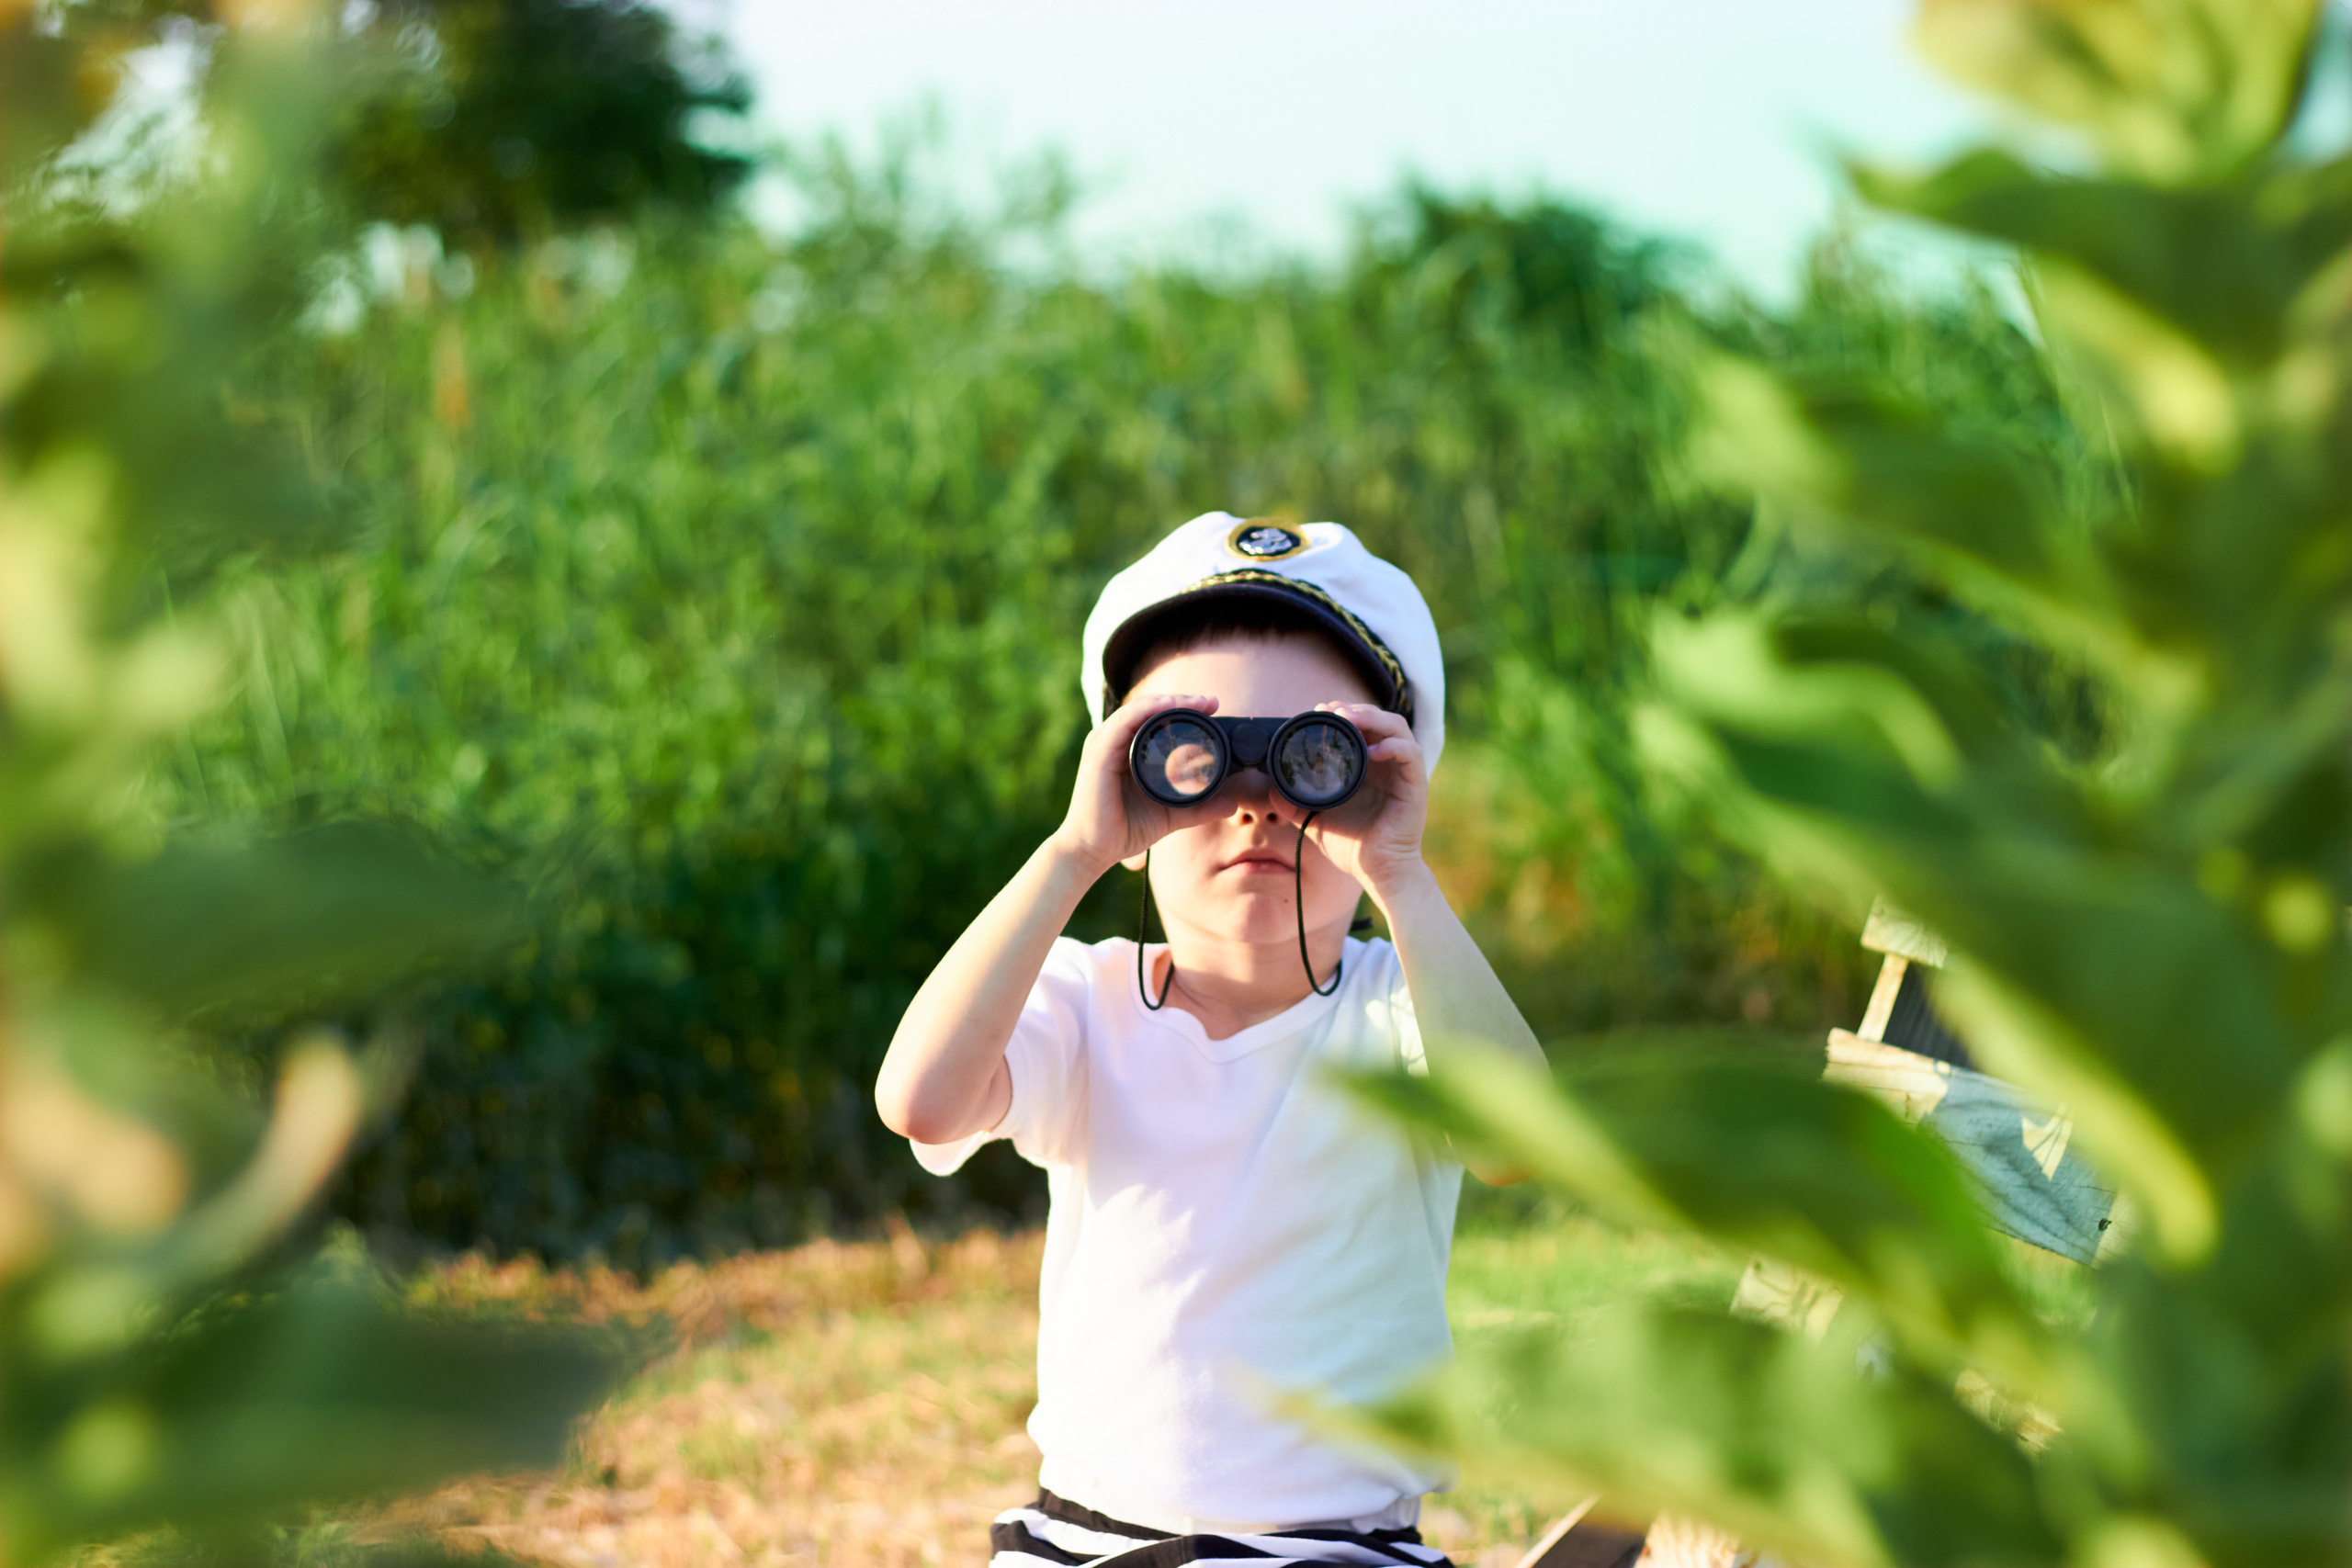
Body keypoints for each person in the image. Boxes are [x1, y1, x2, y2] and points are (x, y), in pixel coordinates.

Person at [875, 512, 1546, 1566]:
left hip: (1340, 1553)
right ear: (1128, 785)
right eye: (1192, 756)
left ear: (1382, 781)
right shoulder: (1084, 1002)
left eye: (1311, 758)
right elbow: (921, 1100)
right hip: (1087, 1543)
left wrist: (1402, 876)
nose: (1256, 807)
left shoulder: (1399, 1010)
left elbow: (1516, 1138)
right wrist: (1070, 853)